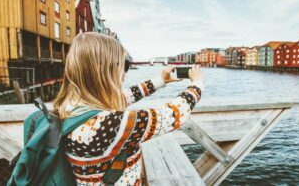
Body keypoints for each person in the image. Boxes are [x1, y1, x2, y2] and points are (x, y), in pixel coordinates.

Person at [53, 32, 204, 186]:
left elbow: (125, 97)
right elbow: (174, 114)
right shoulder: (107, 125)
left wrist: (161, 80)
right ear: (105, 69)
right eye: (124, 65)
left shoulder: (69, 106)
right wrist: (197, 85)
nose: (125, 74)